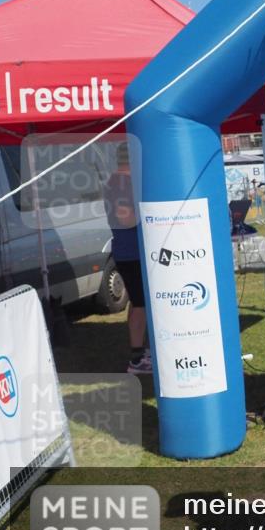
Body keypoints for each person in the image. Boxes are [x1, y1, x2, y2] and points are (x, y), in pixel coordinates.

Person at [102, 143, 150, 374]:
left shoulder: (117, 181)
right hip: (132, 251)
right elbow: (124, 217)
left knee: (137, 302)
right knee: (141, 304)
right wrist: (149, 215)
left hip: (128, 251)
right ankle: (137, 359)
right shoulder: (121, 183)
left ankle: (139, 352)